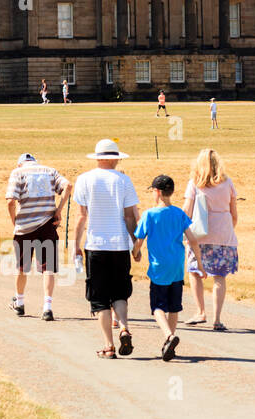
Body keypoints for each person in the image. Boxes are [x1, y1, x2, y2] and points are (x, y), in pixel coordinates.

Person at [72, 139, 140, 359]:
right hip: (119, 245)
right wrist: (135, 244)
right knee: (120, 293)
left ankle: (109, 345)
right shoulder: (124, 181)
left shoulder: (84, 180)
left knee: (99, 298)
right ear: (112, 158)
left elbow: (82, 217)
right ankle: (124, 327)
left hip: (96, 245)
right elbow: (130, 216)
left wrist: (75, 245)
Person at [133, 174, 207, 361]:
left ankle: (169, 336)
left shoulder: (149, 215)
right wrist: (199, 263)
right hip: (176, 265)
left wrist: (135, 253)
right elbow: (192, 240)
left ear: (157, 192)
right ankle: (169, 346)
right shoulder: (179, 214)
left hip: (159, 267)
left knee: (157, 306)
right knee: (174, 306)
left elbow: (139, 241)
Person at [5, 152, 70, 321]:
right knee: (48, 268)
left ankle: (19, 303)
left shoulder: (17, 173)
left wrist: (14, 221)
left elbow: (11, 201)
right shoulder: (49, 171)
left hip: (25, 227)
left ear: (20, 164)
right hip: (48, 225)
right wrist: (58, 210)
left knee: (21, 267)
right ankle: (47, 308)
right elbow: (68, 186)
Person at [181, 148, 239, 329]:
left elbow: (186, 212)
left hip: (200, 234)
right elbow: (234, 213)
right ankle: (217, 319)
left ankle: (200, 311)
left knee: (194, 271)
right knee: (219, 276)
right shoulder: (227, 183)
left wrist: (184, 233)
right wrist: (228, 228)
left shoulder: (194, 184)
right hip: (224, 234)